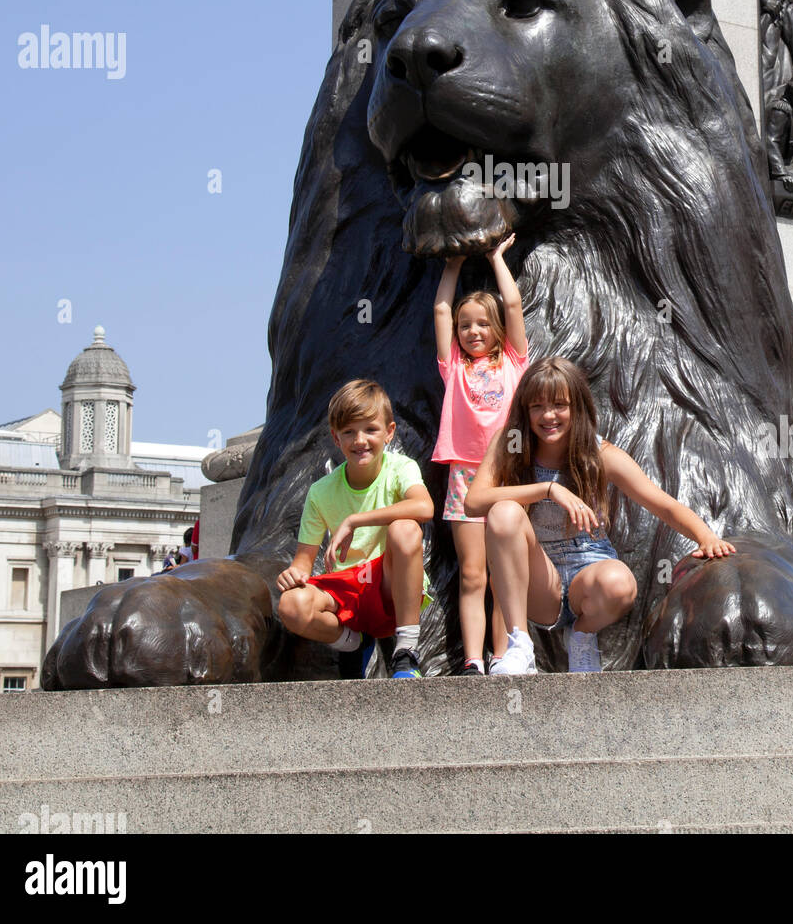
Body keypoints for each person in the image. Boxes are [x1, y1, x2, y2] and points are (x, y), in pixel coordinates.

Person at [465, 357, 735, 676]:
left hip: (588, 574)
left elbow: (663, 504)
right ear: (525, 410)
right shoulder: (509, 444)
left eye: (559, 405)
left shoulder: (599, 454)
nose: (548, 415)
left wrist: (706, 536)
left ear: (577, 407)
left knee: (619, 584)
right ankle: (520, 644)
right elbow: (474, 502)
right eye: (537, 406)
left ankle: (581, 635)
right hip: (539, 580)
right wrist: (548, 489)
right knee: (504, 512)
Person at [276, 379, 433, 679]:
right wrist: (293, 574)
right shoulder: (320, 491)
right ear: (336, 439)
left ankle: (406, 650)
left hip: (390, 584)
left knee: (406, 530)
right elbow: (303, 563)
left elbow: (424, 507)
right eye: (349, 431)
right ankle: (352, 642)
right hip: (347, 589)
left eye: (370, 429)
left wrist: (355, 520)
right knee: (291, 605)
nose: (360, 440)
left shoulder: (401, 467)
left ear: (389, 433)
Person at [433, 234, 529, 674]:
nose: (473, 332)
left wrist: (495, 260)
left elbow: (512, 306)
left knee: (504, 575)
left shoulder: (513, 361)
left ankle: (502, 656)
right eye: (465, 325)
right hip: (464, 477)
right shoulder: (453, 366)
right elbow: (439, 310)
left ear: (497, 332)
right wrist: (451, 265)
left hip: (507, 475)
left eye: (481, 325)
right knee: (475, 575)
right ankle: (472, 660)